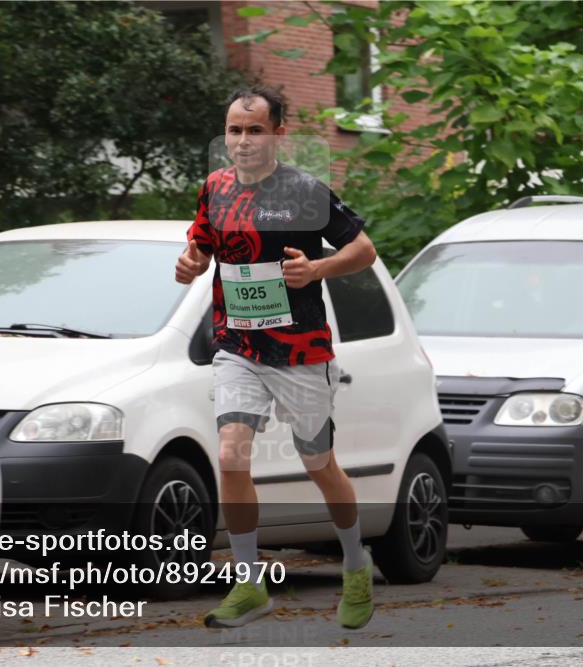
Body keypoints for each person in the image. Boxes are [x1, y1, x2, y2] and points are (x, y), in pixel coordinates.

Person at [174, 84, 378, 630]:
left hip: (300, 351)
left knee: (319, 465)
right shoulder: (214, 188)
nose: (241, 141)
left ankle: (356, 565)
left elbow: (363, 249)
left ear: (277, 133)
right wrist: (191, 263)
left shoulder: (306, 190)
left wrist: (316, 269)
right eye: (234, 131)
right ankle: (249, 583)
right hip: (238, 345)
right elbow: (199, 248)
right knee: (231, 455)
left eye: (254, 130)